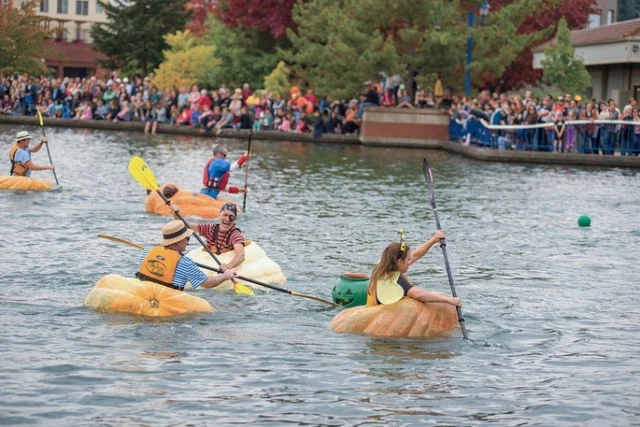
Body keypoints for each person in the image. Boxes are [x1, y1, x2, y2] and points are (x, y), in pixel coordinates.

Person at [366, 231, 462, 307]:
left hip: (371, 308)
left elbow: (415, 255)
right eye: (408, 259)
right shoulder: (395, 280)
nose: (410, 262)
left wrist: (433, 240)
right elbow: (419, 295)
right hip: (381, 318)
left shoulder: (383, 265)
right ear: (399, 262)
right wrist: (450, 300)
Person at [137, 220, 237, 291]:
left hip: (144, 295)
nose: (188, 242)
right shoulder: (185, 263)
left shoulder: (147, 252)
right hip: (167, 303)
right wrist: (225, 276)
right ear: (177, 242)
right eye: (187, 238)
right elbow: (208, 283)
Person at [175, 203, 246, 271]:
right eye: (225, 215)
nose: (227, 219)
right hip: (209, 263)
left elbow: (241, 255)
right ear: (219, 215)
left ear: (235, 219)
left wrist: (228, 267)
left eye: (231, 217)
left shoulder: (235, 235)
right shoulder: (211, 228)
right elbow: (188, 226)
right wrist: (176, 215)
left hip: (224, 266)